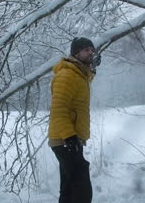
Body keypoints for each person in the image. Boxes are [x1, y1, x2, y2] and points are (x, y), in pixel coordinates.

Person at [48, 37, 101, 203]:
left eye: (92, 50)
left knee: (69, 188)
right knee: (82, 190)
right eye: (87, 50)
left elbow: (82, 83)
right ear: (76, 53)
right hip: (65, 139)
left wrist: (91, 69)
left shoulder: (77, 74)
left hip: (70, 139)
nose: (91, 53)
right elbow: (59, 110)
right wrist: (69, 136)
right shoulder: (66, 75)